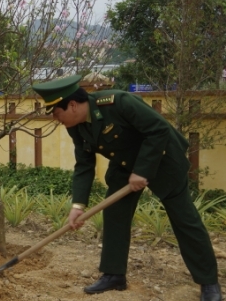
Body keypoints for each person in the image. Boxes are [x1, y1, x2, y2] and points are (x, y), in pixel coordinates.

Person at [32, 75, 222, 301]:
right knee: (115, 214)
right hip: (124, 165)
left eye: (56, 113)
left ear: (72, 105)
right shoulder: (76, 126)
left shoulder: (118, 102)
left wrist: (142, 170)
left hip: (162, 159)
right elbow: (84, 164)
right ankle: (114, 275)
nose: (56, 119)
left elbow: (159, 129)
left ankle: (209, 282)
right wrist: (78, 205)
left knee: (184, 219)